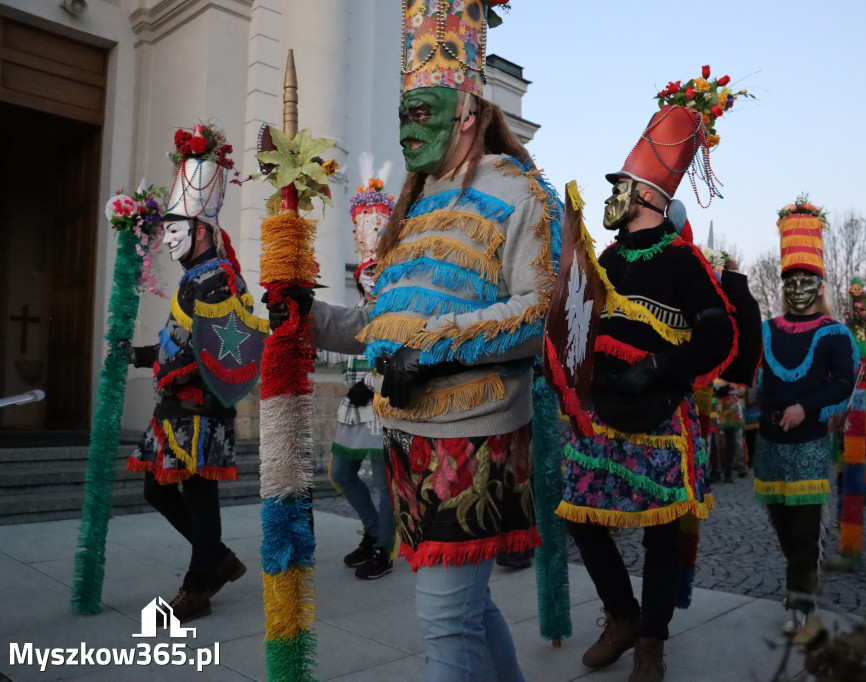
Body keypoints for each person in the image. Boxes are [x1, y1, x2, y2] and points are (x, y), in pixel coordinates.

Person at [271, 4, 560, 679]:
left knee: (443, 623)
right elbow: (382, 324)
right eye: (403, 117)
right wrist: (308, 315)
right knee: (469, 609)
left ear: (467, 110)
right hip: (407, 442)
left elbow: (534, 317)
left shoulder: (523, 193)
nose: (408, 131)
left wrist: (430, 349)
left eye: (422, 113)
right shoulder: (415, 205)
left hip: (474, 441)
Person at [556, 89, 739, 682]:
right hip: (602, 417)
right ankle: (622, 616)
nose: (612, 198)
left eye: (619, 188)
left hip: (659, 419)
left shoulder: (686, 264)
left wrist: (656, 369)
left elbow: (718, 341)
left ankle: (652, 641)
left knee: (662, 534)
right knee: (578, 514)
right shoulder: (604, 260)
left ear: (644, 196)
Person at [126, 124, 262, 622]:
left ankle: (199, 585)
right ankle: (217, 560)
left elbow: (211, 349)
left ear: (201, 230)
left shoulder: (220, 278)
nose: (170, 241)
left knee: (196, 494)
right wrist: (138, 355)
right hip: (176, 405)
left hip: (199, 407)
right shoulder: (194, 278)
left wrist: (162, 366)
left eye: (177, 230)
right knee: (158, 489)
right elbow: (178, 341)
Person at [755, 197, 857, 635]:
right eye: (791, 280)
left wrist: (805, 407)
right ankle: (801, 578)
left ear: (819, 286)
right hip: (770, 442)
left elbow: (843, 384)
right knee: (781, 521)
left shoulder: (835, 332)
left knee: (803, 527)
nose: (798, 288)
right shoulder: (768, 329)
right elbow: (755, 372)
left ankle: (800, 600)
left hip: (810, 441)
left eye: (806, 280)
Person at [330, 166, 396, 580]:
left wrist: (368, 385)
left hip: (384, 406)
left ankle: (385, 547)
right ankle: (372, 531)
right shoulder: (355, 312)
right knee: (341, 474)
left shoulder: (395, 311)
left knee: (385, 482)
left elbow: (397, 357)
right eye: (365, 272)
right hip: (352, 409)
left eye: (378, 271)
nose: (371, 278)